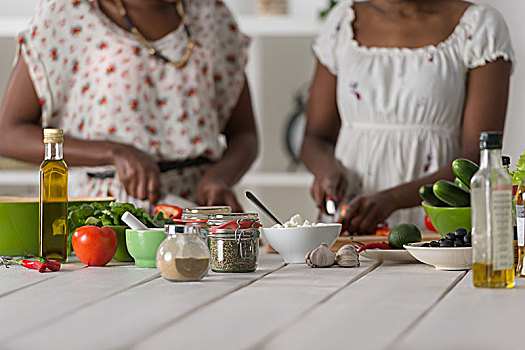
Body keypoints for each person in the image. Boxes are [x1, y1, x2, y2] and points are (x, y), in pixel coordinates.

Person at [0, 0, 257, 212]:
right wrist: (112, 153)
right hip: (106, 216)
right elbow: (8, 134)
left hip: (199, 213)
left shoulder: (211, 14)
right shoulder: (67, 14)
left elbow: (245, 133)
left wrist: (220, 177)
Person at [302, 0, 513, 233]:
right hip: (351, 219)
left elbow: (478, 159)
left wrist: (393, 199)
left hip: (435, 220)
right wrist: (326, 171)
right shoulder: (342, 22)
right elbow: (315, 137)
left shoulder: (480, 26)